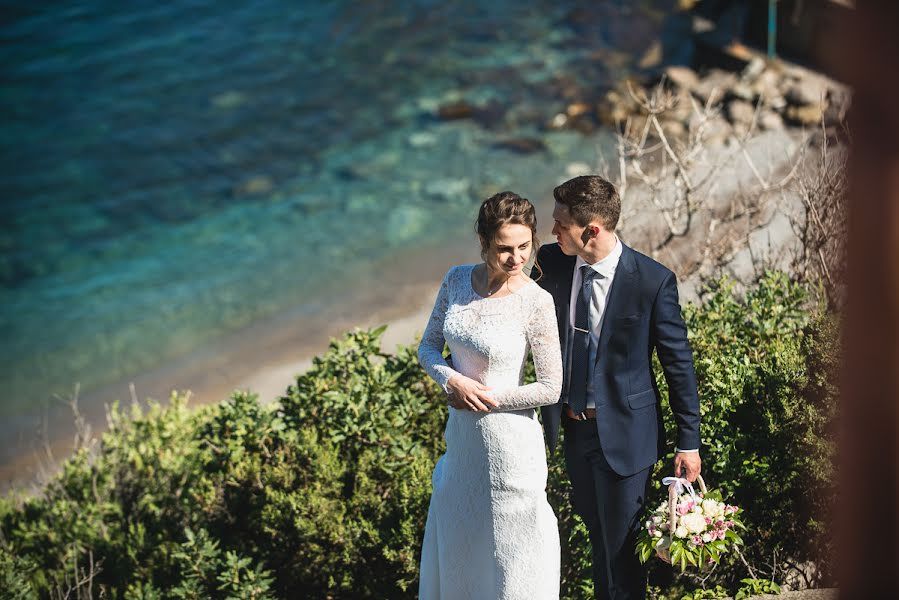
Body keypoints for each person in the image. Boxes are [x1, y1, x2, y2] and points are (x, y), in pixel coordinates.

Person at [536, 175, 702, 600]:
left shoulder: (651, 281)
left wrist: (689, 442)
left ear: (591, 229)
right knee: (599, 544)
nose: (552, 231)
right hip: (574, 432)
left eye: (560, 224)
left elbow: (677, 364)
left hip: (626, 436)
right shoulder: (552, 262)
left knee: (624, 555)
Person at [417, 191, 563, 600]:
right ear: (482, 243)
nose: (517, 259)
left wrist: (487, 398)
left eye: (524, 246)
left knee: (513, 561)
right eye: (504, 249)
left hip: (512, 450)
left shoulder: (537, 302)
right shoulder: (456, 280)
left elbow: (551, 387)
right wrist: (452, 381)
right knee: (463, 551)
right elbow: (428, 347)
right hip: (462, 447)